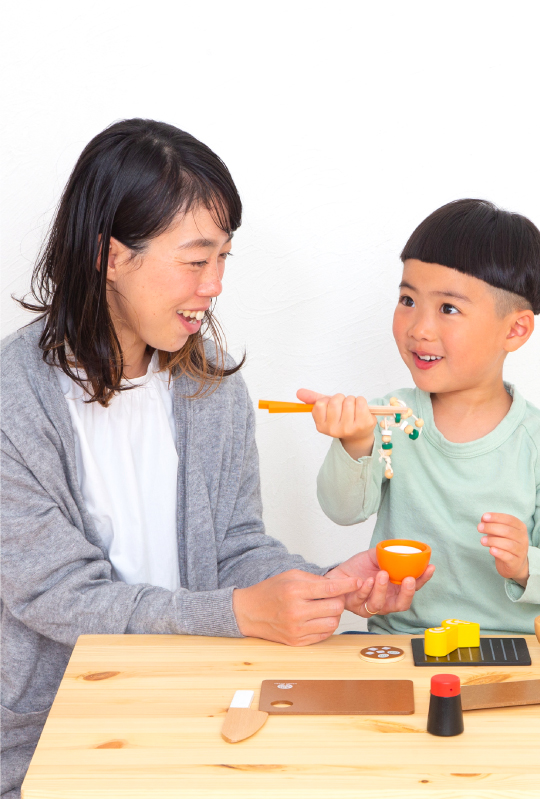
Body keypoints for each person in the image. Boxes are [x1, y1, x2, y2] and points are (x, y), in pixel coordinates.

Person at [0, 119, 434, 798]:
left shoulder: (210, 384)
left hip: (204, 702)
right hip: (54, 733)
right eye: (196, 260)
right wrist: (238, 612)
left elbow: (233, 547)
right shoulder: (14, 399)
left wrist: (321, 583)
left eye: (224, 258)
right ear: (110, 257)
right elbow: (58, 595)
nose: (216, 285)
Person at [298, 199, 540, 636]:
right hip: (400, 642)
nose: (419, 328)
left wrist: (528, 564)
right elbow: (341, 510)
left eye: (448, 308)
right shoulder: (389, 417)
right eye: (408, 299)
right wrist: (355, 444)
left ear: (515, 329)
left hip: (511, 651)